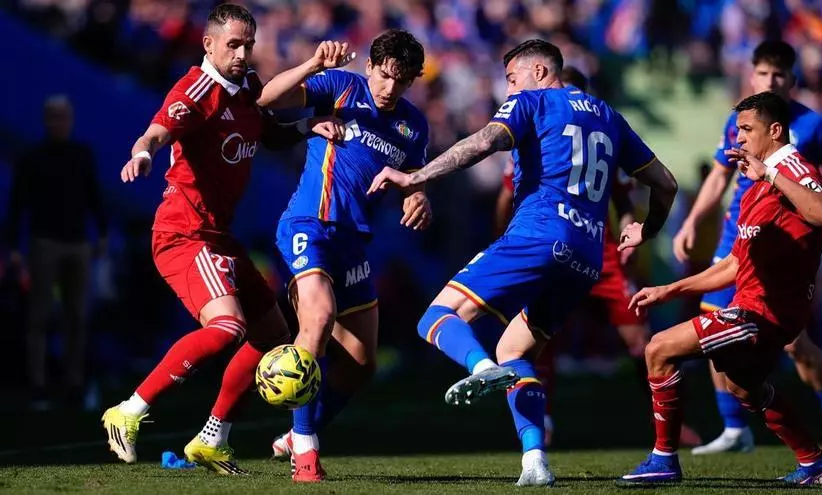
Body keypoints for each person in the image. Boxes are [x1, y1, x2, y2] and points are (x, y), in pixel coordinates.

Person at [369, 39, 678, 486]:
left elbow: (484, 142)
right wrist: (647, 230)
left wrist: (416, 176)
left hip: (539, 234)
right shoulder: (609, 116)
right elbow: (665, 183)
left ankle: (480, 369)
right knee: (515, 352)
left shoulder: (532, 103)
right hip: (587, 256)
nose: (508, 89)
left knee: (435, 318)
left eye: (512, 79)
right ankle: (535, 460)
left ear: (538, 72)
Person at [101, 3, 339, 474]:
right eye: (233, 44)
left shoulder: (248, 87)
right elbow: (155, 131)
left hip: (218, 236)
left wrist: (307, 126)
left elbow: (268, 134)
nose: (242, 53)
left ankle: (213, 437)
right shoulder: (197, 89)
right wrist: (144, 154)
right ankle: (127, 411)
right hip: (184, 235)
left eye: (248, 44)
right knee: (228, 327)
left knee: (274, 334)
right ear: (208, 43)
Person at [621, 91, 822, 485]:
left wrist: (771, 173)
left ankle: (664, 460)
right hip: (757, 307)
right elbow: (733, 266)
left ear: (775, 131)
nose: (737, 138)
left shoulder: (788, 165)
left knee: (658, 349)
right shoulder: (755, 188)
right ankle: (815, 464)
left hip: (762, 313)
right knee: (743, 387)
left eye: (746, 129)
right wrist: (668, 290)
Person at [672, 40, 822, 458]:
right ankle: (734, 428)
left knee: (794, 342)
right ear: (752, 75)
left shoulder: (813, 127)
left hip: (781, 243)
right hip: (736, 237)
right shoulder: (741, 122)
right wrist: (693, 221)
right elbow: (718, 177)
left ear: (792, 79)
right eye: (763, 73)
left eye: (778, 74)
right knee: (712, 332)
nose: (771, 80)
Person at [257, 29, 431, 482]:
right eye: (386, 75)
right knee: (317, 318)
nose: (391, 87)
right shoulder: (341, 86)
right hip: (309, 225)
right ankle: (307, 456)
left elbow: (413, 179)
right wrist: (314, 64)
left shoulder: (414, 125)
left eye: (403, 80)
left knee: (361, 363)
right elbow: (267, 100)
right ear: (371, 66)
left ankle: (300, 432)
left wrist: (418, 197)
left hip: (353, 243)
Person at [494, 67, 701, 448]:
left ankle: (672, 423)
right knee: (535, 340)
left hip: (601, 253)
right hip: (548, 243)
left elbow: (624, 197)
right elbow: (506, 196)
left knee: (640, 341)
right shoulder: (538, 135)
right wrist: (508, 237)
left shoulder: (599, 133)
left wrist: (627, 227)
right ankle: (543, 421)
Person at [7, 95, 107, 410]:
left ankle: (73, 383)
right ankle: (38, 384)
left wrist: (102, 232)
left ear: (70, 120)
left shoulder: (82, 155)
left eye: (63, 117)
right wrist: (13, 246)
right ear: (45, 120)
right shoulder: (32, 157)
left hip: (78, 243)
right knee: (39, 315)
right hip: (44, 242)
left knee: (76, 316)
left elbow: (94, 194)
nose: (58, 123)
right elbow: (17, 203)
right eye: (52, 117)